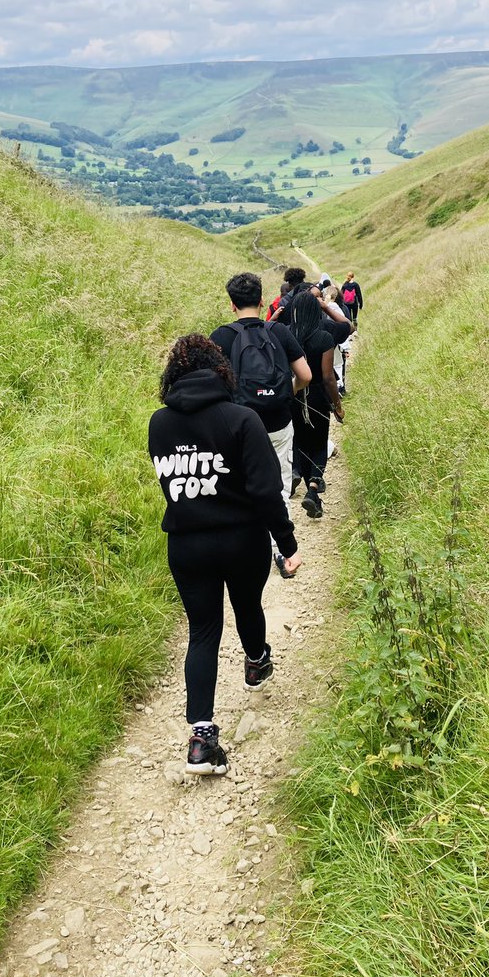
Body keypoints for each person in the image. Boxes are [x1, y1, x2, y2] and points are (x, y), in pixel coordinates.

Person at [149, 334, 302, 776]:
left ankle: (200, 738)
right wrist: (287, 545)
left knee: (202, 631)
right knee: (247, 604)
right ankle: (256, 663)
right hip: (241, 540)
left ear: (173, 376)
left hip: (186, 544)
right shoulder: (242, 419)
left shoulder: (159, 424)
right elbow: (266, 492)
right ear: (222, 370)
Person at [209, 272, 311, 576]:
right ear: (262, 300)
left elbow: (214, 386)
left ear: (231, 304)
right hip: (279, 421)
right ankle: (283, 553)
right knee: (278, 484)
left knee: (239, 484)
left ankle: (246, 548)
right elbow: (305, 376)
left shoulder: (221, 337)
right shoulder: (278, 331)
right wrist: (283, 393)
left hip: (238, 425)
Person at [289, 291, 343, 519]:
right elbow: (328, 376)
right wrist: (337, 404)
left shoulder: (287, 336)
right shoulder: (324, 338)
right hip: (318, 398)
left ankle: (296, 472)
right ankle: (312, 488)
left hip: (293, 395)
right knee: (319, 442)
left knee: (298, 439)